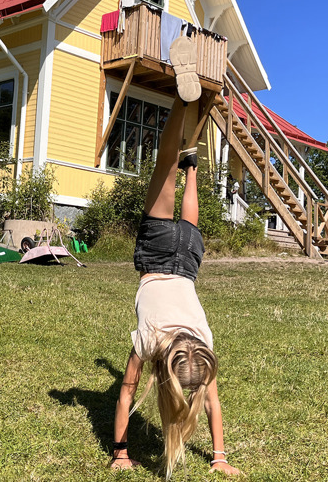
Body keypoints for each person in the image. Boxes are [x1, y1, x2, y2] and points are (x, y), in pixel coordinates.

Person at [109, 92, 242, 477]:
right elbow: (126, 394)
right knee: (161, 169)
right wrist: (120, 453)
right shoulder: (152, 340)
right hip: (155, 257)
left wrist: (220, 456)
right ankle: (181, 104)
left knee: (185, 211)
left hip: (189, 257)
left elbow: (210, 400)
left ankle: (193, 167)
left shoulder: (203, 342)